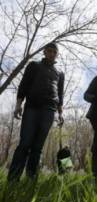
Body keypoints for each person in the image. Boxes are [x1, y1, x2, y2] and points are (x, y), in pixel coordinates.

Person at [8, 42, 64, 181]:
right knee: (25, 143)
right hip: (32, 107)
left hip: (49, 111)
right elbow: (24, 84)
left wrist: (60, 113)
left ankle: (31, 179)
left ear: (57, 54)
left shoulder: (60, 73)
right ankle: (13, 179)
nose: (51, 53)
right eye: (49, 51)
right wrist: (18, 104)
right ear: (44, 52)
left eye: (54, 52)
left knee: (38, 147)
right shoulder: (34, 65)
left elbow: (60, 94)